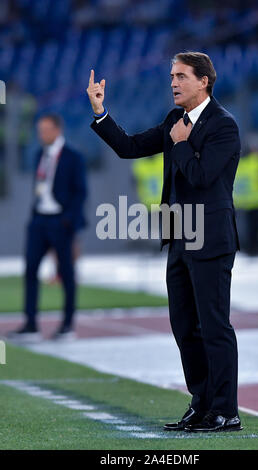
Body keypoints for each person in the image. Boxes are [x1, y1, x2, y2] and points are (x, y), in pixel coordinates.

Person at [87, 51, 242, 433]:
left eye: (181, 76)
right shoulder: (175, 120)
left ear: (204, 80)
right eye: (172, 76)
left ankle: (226, 411)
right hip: (179, 238)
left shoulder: (224, 126)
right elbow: (129, 147)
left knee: (214, 326)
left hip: (210, 239)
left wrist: (183, 144)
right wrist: (100, 112)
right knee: (185, 327)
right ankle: (202, 403)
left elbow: (203, 176)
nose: (173, 82)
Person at [10, 114, 87, 341]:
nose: (41, 134)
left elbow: (80, 192)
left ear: (57, 129)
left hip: (60, 221)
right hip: (39, 220)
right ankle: (31, 324)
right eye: (39, 130)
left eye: (45, 130)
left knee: (66, 274)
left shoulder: (73, 157)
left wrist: (68, 221)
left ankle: (67, 325)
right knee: (30, 270)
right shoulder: (39, 155)